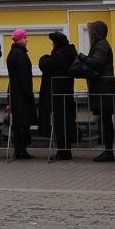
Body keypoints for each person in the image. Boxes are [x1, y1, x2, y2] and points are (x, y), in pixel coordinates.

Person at [76, 20, 115, 163]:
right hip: (102, 87)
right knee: (105, 120)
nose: (90, 35)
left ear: (96, 33)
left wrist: (81, 56)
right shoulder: (101, 45)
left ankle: (108, 151)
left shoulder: (102, 46)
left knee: (106, 120)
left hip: (103, 88)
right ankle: (107, 151)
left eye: (92, 32)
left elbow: (96, 62)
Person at [38, 30, 77, 160]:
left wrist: (43, 57)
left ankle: (63, 151)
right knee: (65, 121)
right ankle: (65, 150)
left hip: (58, 94)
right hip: (65, 93)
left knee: (61, 123)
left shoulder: (60, 54)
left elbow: (45, 64)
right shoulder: (69, 52)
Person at [5, 28, 37, 159]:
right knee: (23, 124)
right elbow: (25, 77)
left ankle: (18, 150)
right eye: (25, 38)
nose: (26, 40)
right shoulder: (20, 55)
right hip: (22, 95)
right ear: (19, 39)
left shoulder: (13, 53)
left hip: (15, 93)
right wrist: (29, 94)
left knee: (18, 124)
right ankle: (21, 151)